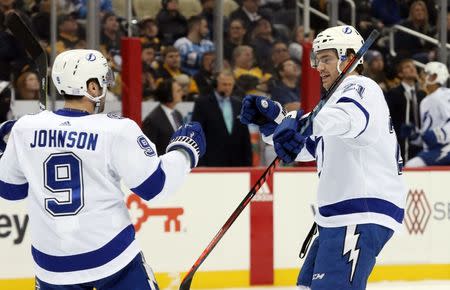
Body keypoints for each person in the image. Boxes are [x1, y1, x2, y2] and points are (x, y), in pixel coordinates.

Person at [0, 49, 206, 289]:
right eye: (102, 82)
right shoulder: (116, 130)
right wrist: (185, 151)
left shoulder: (26, 128)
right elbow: (155, 186)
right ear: (92, 88)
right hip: (113, 260)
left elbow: (10, 190)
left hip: (52, 268)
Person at [240, 25, 406, 290]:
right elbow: (309, 146)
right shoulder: (335, 103)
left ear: (349, 57)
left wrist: (297, 122)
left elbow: (344, 119)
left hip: (358, 213)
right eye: (316, 59)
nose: (319, 66)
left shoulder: (360, 87)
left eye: (326, 58)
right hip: (339, 216)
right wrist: (275, 124)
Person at [192, 69, 252, 166]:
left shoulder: (239, 105)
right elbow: (196, 134)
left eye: (230, 85)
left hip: (236, 162)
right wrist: (200, 163)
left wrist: (248, 163)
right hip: (211, 162)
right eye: (224, 84)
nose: (227, 88)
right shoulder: (202, 104)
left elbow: (244, 137)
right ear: (216, 84)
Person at [405, 62, 450, 167]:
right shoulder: (425, 101)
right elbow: (427, 139)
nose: (421, 77)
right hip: (433, 149)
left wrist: (439, 135)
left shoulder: (445, 94)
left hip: (445, 147)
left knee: (410, 168)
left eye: (425, 74)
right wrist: (414, 136)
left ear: (434, 76)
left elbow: (437, 135)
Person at [142, 78, 184, 155]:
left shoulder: (178, 114)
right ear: (168, 95)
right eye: (178, 91)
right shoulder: (152, 120)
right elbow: (148, 150)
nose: (182, 93)